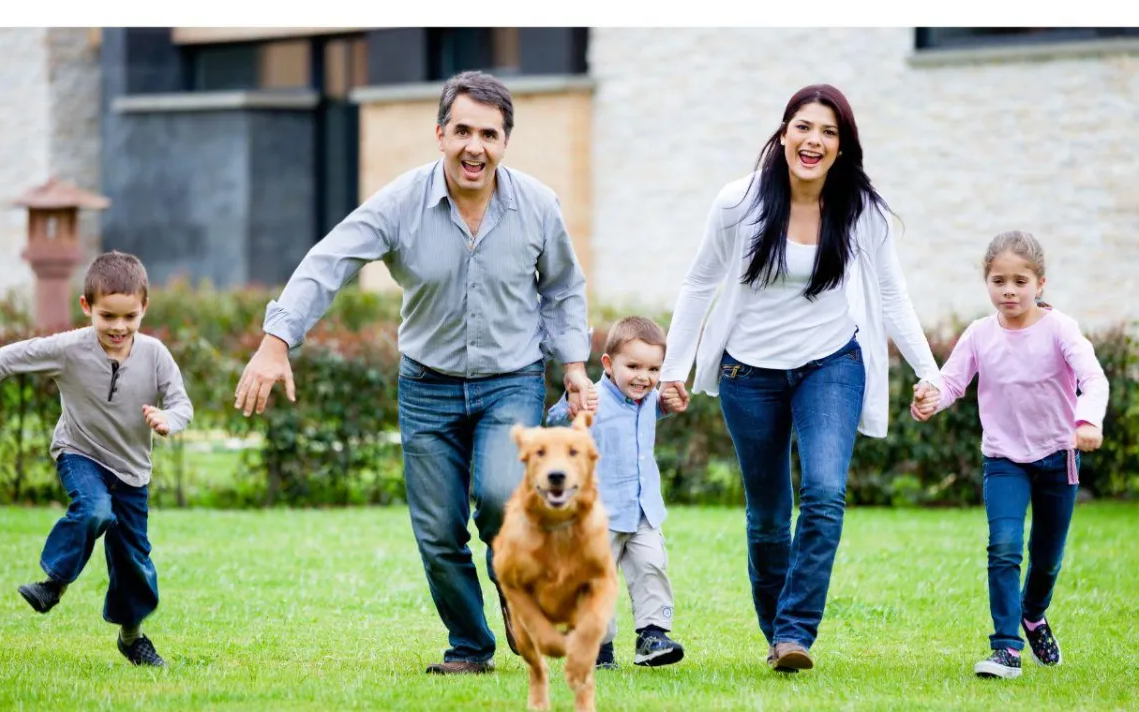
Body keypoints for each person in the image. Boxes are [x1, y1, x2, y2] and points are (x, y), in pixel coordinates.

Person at [233, 70, 596, 675]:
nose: (473, 147)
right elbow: (331, 260)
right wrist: (276, 341)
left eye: (488, 134)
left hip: (511, 379)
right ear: (440, 134)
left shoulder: (537, 205)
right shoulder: (402, 202)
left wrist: (575, 366)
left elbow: (563, 289)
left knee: (501, 498)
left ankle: (514, 592)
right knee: (437, 533)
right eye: (461, 131)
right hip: (427, 388)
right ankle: (469, 648)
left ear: (505, 142)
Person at [657, 84, 942, 672]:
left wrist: (929, 372)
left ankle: (795, 634)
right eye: (804, 127)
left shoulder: (861, 210)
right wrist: (672, 369)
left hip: (831, 366)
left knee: (824, 492)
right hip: (747, 372)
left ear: (843, 147)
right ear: (783, 133)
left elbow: (891, 294)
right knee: (766, 512)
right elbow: (699, 283)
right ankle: (777, 636)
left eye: (829, 132)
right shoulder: (739, 203)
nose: (814, 140)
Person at [0, 251, 194, 667]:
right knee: (94, 510)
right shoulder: (68, 349)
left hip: (132, 472)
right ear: (87, 308)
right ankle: (54, 584)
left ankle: (132, 638)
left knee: (134, 560)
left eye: (129, 317)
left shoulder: (155, 355)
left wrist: (169, 418)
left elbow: (182, 404)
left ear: (144, 308)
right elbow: (3, 359)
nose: (119, 327)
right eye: (107, 316)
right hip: (81, 454)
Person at [911, 231, 1108, 679]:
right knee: (1003, 547)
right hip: (1004, 460)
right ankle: (1006, 648)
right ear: (987, 283)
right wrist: (929, 398)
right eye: (999, 281)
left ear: (1040, 283)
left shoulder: (1060, 329)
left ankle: (1033, 615)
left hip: (1059, 456)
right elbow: (952, 382)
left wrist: (1087, 421)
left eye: (1020, 281)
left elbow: (1092, 380)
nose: (1009, 290)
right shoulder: (980, 334)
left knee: (1046, 559)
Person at [547, 316, 687, 671]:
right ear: (608, 365)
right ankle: (599, 647)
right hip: (598, 516)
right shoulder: (592, 401)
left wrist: (667, 403)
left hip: (643, 512)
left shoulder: (648, 399)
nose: (644, 377)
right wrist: (571, 403)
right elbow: (555, 424)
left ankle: (653, 635)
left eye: (654, 368)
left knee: (652, 566)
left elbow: (655, 409)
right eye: (634, 366)